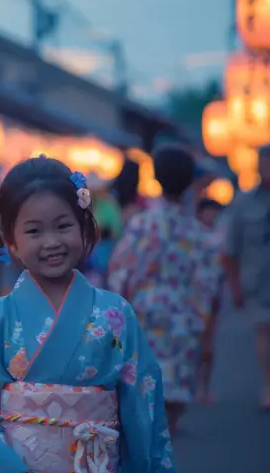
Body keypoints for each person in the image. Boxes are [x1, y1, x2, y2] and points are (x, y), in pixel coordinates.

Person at [0, 155, 184, 473]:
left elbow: (142, 404)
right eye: (33, 231)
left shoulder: (116, 315)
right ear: (10, 241)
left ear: (84, 228)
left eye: (63, 226)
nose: (51, 242)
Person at [107, 145, 223, 437]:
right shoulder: (201, 233)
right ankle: (168, 435)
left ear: (156, 178)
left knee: (143, 382)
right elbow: (208, 282)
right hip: (184, 313)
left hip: (144, 310)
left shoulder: (142, 224)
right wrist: (204, 321)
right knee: (176, 387)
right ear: (189, 181)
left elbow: (120, 270)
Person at [224, 144, 270, 411]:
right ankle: (267, 385)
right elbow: (232, 249)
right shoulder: (244, 203)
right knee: (264, 331)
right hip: (257, 279)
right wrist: (235, 286)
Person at [195, 197, 226, 405]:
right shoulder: (193, 235)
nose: (212, 215)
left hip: (213, 293)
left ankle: (204, 388)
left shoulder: (220, 235)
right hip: (194, 296)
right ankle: (194, 387)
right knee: (194, 343)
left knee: (209, 344)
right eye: (209, 211)